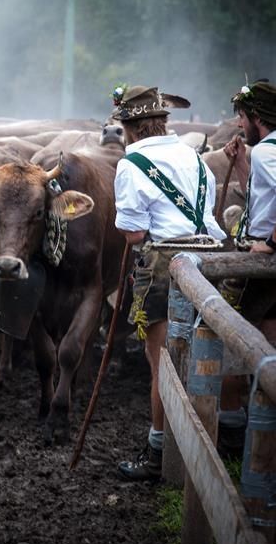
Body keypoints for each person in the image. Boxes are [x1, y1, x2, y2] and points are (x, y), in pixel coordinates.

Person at [111, 85, 226, 481]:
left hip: (164, 265)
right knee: (206, 355)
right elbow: (207, 216)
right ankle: (212, 443)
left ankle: (160, 451)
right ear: (161, 122)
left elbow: (132, 232)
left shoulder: (132, 164)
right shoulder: (196, 158)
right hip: (211, 261)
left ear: (132, 127)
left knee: (163, 363)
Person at [219, 80, 276, 455]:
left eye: (241, 117)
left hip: (264, 263)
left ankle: (232, 430)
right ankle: (259, 427)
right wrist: (241, 164)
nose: (239, 125)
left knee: (222, 331)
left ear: (256, 117)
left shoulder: (268, 153)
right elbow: (263, 198)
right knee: (267, 337)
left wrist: (270, 243)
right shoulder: (264, 153)